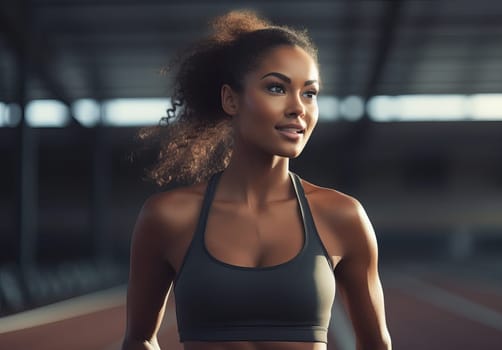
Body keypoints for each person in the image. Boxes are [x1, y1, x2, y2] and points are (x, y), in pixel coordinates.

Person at [122, 10, 391, 350]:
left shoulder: (342, 216)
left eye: (309, 93)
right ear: (230, 99)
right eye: (277, 88)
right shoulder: (168, 217)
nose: (299, 108)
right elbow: (138, 340)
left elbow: (377, 345)